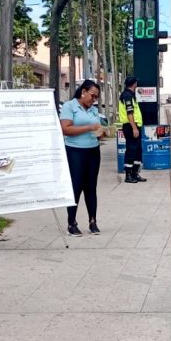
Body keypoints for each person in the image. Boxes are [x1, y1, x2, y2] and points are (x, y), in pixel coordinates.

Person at [60, 80, 103, 237]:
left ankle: (93, 221)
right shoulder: (69, 106)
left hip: (93, 150)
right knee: (76, 186)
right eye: (92, 96)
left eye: (96, 97)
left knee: (91, 187)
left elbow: (97, 127)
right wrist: (89, 128)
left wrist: (102, 132)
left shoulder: (93, 110)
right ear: (83, 91)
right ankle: (72, 223)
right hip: (75, 151)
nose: (94, 100)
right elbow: (65, 129)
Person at [118, 76, 146, 183]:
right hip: (130, 126)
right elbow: (129, 113)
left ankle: (135, 173)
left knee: (138, 150)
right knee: (131, 149)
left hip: (135, 126)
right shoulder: (127, 96)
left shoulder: (130, 95)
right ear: (134, 84)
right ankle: (128, 175)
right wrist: (134, 128)